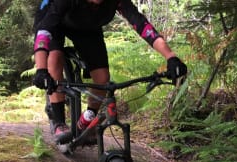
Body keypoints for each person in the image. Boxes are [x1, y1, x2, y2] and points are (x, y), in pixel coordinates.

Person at [32, 0, 187, 143]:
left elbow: (141, 25)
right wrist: (41, 70)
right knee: (54, 58)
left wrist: (171, 57)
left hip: (87, 25)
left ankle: (87, 119)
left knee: (102, 79)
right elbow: (44, 32)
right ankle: (58, 121)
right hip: (53, 21)